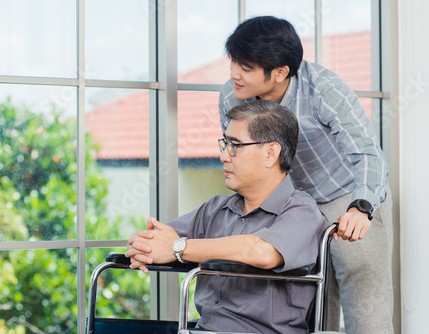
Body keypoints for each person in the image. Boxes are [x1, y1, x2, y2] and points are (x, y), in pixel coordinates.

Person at [218, 16, 393, 334]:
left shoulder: (324, 90)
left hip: (347, 195)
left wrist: (362, 206)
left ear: (280, 72)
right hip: (294, 205)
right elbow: (243, 158)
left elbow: (367, 153)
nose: (233, 74)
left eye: (245, 67)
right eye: (233, 62)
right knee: (310, 308)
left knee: (366, 309)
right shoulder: (232, 97)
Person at [126, 100, 330, 334]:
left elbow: (261, 252)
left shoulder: (303, 211)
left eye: (234, 146)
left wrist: (178, 247)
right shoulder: (215, 209)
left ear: (271, 153)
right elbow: (155, 240)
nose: (223, 155)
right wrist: (143, 243)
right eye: (224, 144)